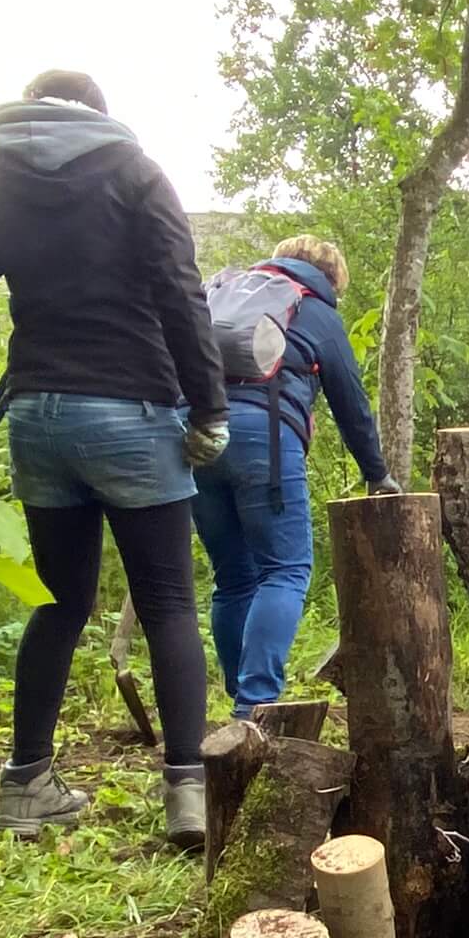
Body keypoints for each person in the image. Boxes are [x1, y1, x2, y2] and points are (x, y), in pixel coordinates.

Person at [0, 70, 227, 849]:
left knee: (59, 601)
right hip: (132, 409)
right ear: (100, 115)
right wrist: (211, 407)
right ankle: (188, 795)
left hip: (38, 414)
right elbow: (180, 293)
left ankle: (25, 784)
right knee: (166, 601)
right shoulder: (134, 172)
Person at [192, 236, 396, 719]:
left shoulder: (221, 291)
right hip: (263, 438)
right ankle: (256, 704)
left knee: (233, 576)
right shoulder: (314, 308)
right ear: (330, 279)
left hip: (196, 434)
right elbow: (351, 403)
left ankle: (239, 700)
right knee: (284, 570)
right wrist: (377, 472)